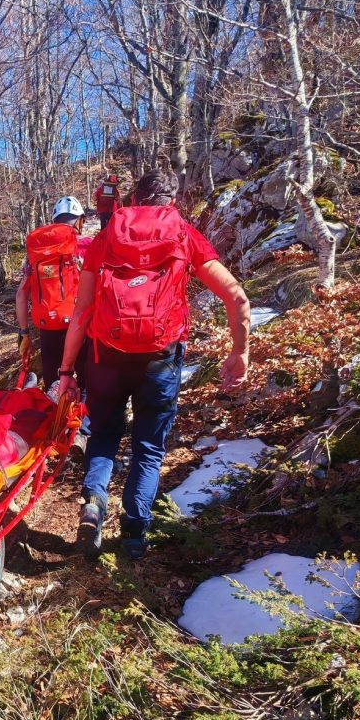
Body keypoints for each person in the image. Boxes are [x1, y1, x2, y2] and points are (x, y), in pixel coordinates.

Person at [57, 167, 250, 561]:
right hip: (160, 359)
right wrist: (239, 351)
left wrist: (65, 371)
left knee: (105, 435)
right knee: (147, 446)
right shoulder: (183, 233)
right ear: (172, 201)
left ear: (134, 199)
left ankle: (93, 505)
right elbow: (237, 296)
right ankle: (133, 535)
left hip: (105, 355)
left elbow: (81, 311)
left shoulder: (107, 235)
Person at [17, 195, 91, 392]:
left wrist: (24, 333)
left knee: (53, 383)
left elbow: (21, 295)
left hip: (48, 327)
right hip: (80, 324)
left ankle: (55, 417)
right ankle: (83, 419)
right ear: (79, 220)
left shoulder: (35, 253)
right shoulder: (85, 246)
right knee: (87, 384)